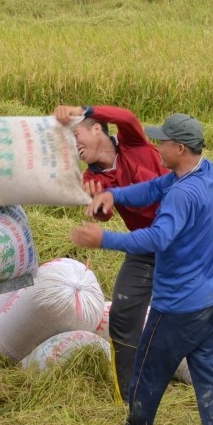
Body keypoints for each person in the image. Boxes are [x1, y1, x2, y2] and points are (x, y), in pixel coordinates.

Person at [70, 114, 213, 425]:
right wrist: (115, 196)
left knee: (148, 369)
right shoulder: (209, 172)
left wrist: (105, 239)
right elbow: (153, 187)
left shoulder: (181, 195)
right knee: (209, 369)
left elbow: (157, 239)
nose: (157, 146)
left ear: (179, 147)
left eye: (163, 142)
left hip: (180, 305)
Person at [53, 104, 167, 404]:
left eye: (77, 135)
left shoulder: (133, 143)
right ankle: (129, 396)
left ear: (97, 128)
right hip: (144, 245)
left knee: (190, 312)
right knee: (123, 313)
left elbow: (127, 117)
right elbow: (105, 216)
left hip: (181, 240)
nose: (76, 145)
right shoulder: (95, 179)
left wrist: (83, 109)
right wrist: (95, 203)